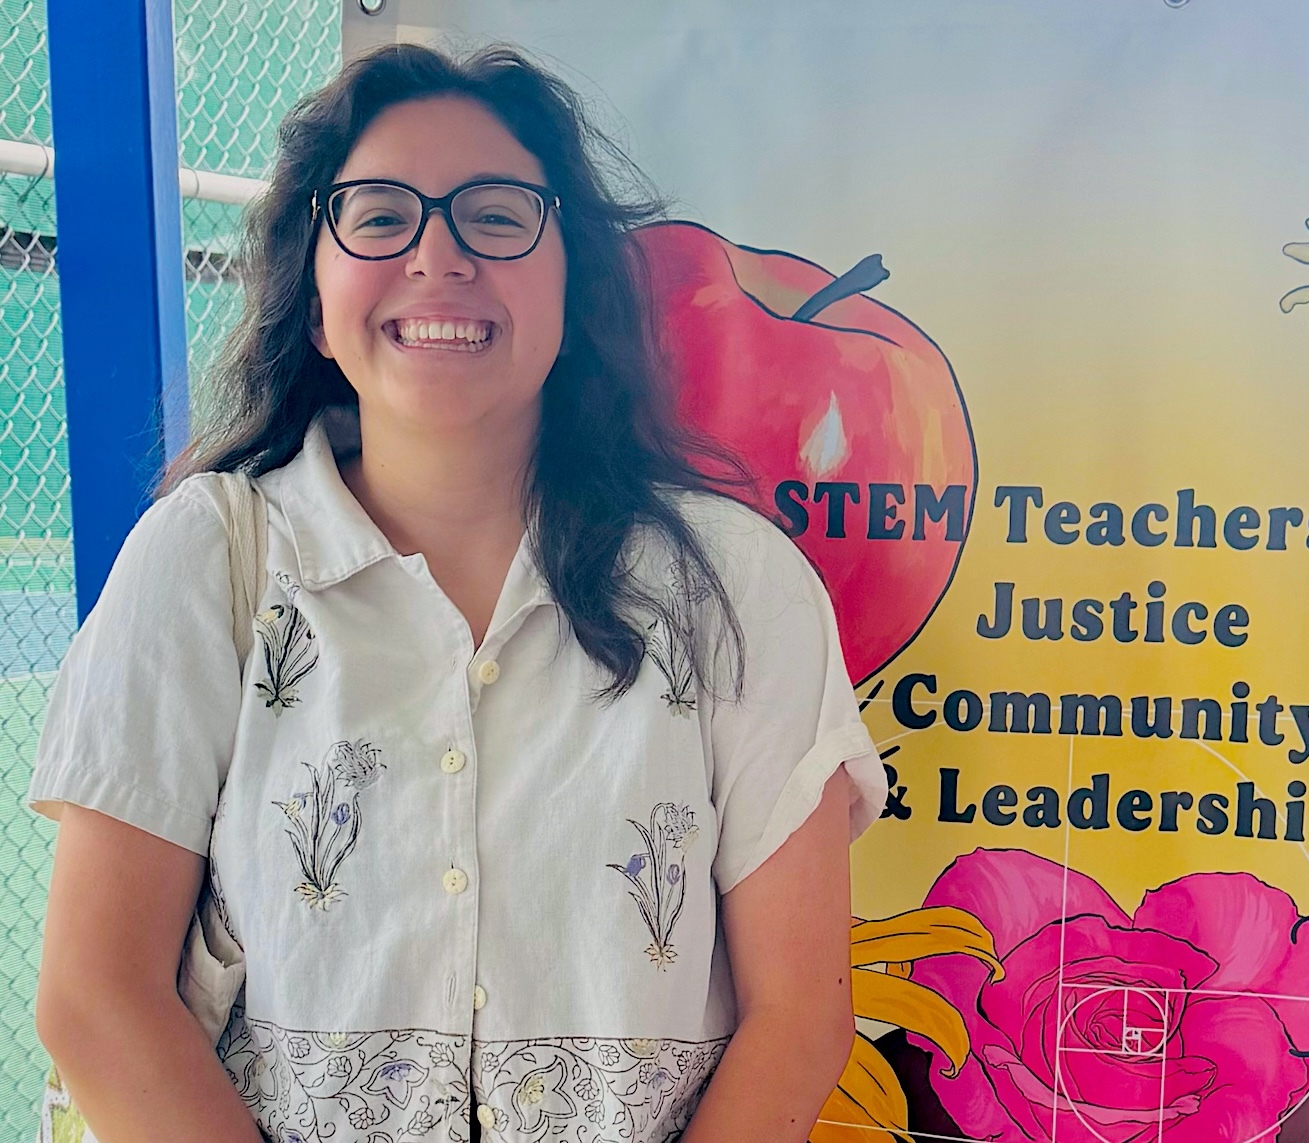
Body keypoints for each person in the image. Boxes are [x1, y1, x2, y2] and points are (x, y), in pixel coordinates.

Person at [28, 42, 885, 1143]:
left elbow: (798, 1017)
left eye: (494, 215)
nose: (437, 256)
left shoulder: (736, 587)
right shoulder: (205, 560)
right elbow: (96, 1001)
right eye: (380, 217)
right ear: (316, 286)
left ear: (570, 279)